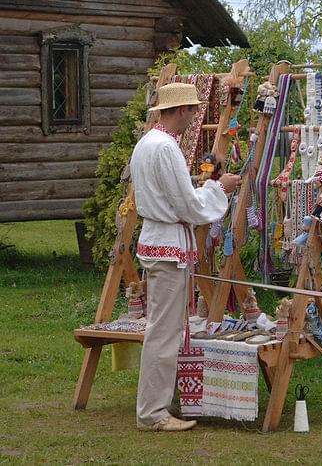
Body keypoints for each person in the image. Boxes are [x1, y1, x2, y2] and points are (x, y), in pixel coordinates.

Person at [130, 82, 241, 432]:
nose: (194, 116)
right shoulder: (164, 147)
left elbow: (176, 198)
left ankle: (157, 405)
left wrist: (204, 192)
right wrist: (218, 189)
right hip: (166, 243)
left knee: (164, 329)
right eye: (191, 110)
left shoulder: (149, 143)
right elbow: (188, 206)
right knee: (163, 332)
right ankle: (153, 413)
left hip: (161, 239)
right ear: (179, 111)